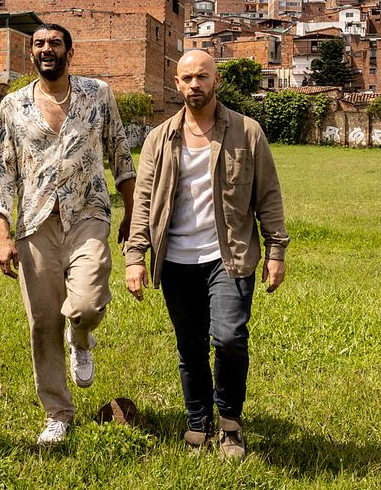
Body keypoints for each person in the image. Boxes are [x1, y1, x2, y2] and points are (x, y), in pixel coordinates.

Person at [123, 50, 289, 460]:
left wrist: (276, 250)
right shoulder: (159, 139)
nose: (194, 84)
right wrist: (135, 256)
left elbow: (268, 195)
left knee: (229, 338)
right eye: (187, 78)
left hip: (228, 255)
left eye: (202, 76)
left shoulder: (247, 132)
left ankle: (230, 424)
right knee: (190, 346)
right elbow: (143, 202)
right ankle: (198, 421)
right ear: (176, 84)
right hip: (176, 259)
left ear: (216, 80)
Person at [0, 23, 136, 446]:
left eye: (55, 43)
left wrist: (131, 211)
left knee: (87, 304)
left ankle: (81, 336)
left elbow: (120, 153)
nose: (46, 49)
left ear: (70, 53)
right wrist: (4, 236)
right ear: (31, 54)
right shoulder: (13, 105)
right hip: (35, 223)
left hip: (88, 214)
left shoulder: (98, 94)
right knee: (42, 323)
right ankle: (57, 413)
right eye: (39, 44)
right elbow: (2, 173)